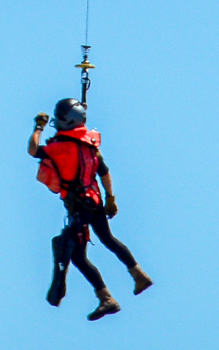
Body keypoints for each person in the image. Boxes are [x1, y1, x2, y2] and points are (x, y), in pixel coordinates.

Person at [28, 99, 154, 320]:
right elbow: (104, 173)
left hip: (78, 208)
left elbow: (32, 150)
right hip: (94, 201)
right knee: (107, 238)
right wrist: (110, 198)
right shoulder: (90, 145)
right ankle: (138, 274)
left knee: (76, 256)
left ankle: (106, 298)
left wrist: (38, 127)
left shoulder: (57, 148)